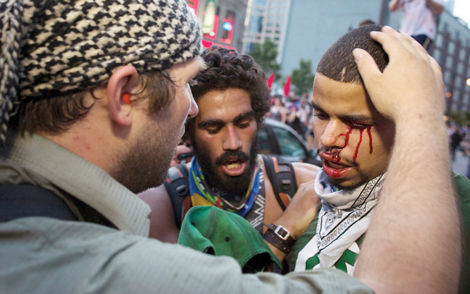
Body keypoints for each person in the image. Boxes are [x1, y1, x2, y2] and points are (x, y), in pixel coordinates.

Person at [0, 0, 460, 289]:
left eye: (244, 120)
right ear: (125, 95)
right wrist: (420, 114)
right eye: (186, 85)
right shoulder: (97, 266)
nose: (192, 110)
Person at [291, 24, 467, 293]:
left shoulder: (458, 207)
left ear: (401, 118)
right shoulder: (306, 199)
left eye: (356, 123)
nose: (328, 138)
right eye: (321, 115)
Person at [139, 47, 321, 267]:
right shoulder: (164, 201)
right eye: (214, 128)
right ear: (189, 132)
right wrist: (284, 230)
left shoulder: (302, 186)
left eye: (243, 124)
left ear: (259, 120)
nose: (233, 143)